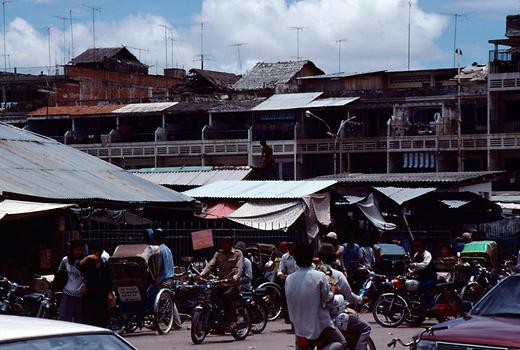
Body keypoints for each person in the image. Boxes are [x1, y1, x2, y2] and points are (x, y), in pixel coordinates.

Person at [285, 242, 346, 350]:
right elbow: (328, 299)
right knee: (341, 341)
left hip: (298, 326)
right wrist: (334, 292)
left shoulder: (289, 279)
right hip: (319, 324)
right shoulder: (319, 276)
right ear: (312, 257)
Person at [318, 244, 372, 350]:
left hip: (313, 317)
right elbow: (350, 296)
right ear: (334, 258)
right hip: (332, 317)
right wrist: (361, 299)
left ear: (319, 257)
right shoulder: (337, 275)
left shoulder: (313, 273)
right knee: (365, 327)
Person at [200, 236, 243, 330]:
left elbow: (239, 268)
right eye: (221, 242)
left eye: (224, 242)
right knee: (210, 295)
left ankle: (232, 320)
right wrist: (201, 275)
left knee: (226, 296)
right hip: (220, 283)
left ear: (229, 243)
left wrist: (236, 277)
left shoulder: (238, 254)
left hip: (232, 284)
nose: (222, 244)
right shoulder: (218, 254)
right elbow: (210, 265)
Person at [76, 242, 113, 328]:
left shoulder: (105, 265)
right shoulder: (89, 264)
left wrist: (110, 293)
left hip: (102, 295)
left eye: (95, 252)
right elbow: (78, 266)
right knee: (89, 318)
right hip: (90, 294)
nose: (93, 255)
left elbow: (109, 280)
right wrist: (87, 258)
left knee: (101, 318)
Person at [151, 228, 182, 329]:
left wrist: (156, 280)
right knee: (168, 301)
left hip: (163, 278)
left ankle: (159, 322)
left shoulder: (159, 250)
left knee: (161, 300)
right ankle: (176, 322)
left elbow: (159, 267)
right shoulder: (167, 249)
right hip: (169, 277)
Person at [55, 240, 85, 323]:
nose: (79, 252)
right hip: (67, 293)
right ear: (72, 249)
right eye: (77, 249)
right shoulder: (65, 260)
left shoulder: (84, 261)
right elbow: (59, 274)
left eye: (81, 250)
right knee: (66, 319)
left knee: (79, 320)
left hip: (80, 294)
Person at [410, 239, 436, 310]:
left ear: (422, 246)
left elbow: (424, 265)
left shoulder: (427, 254)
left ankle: (431, 304)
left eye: (418, 246)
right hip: (421, 277)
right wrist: (411, 272)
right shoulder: (416, 255)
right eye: (415, 246)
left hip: (430, 277)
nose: (416, 248)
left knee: (424, 286)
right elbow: (416, 268)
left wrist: (414, 265)